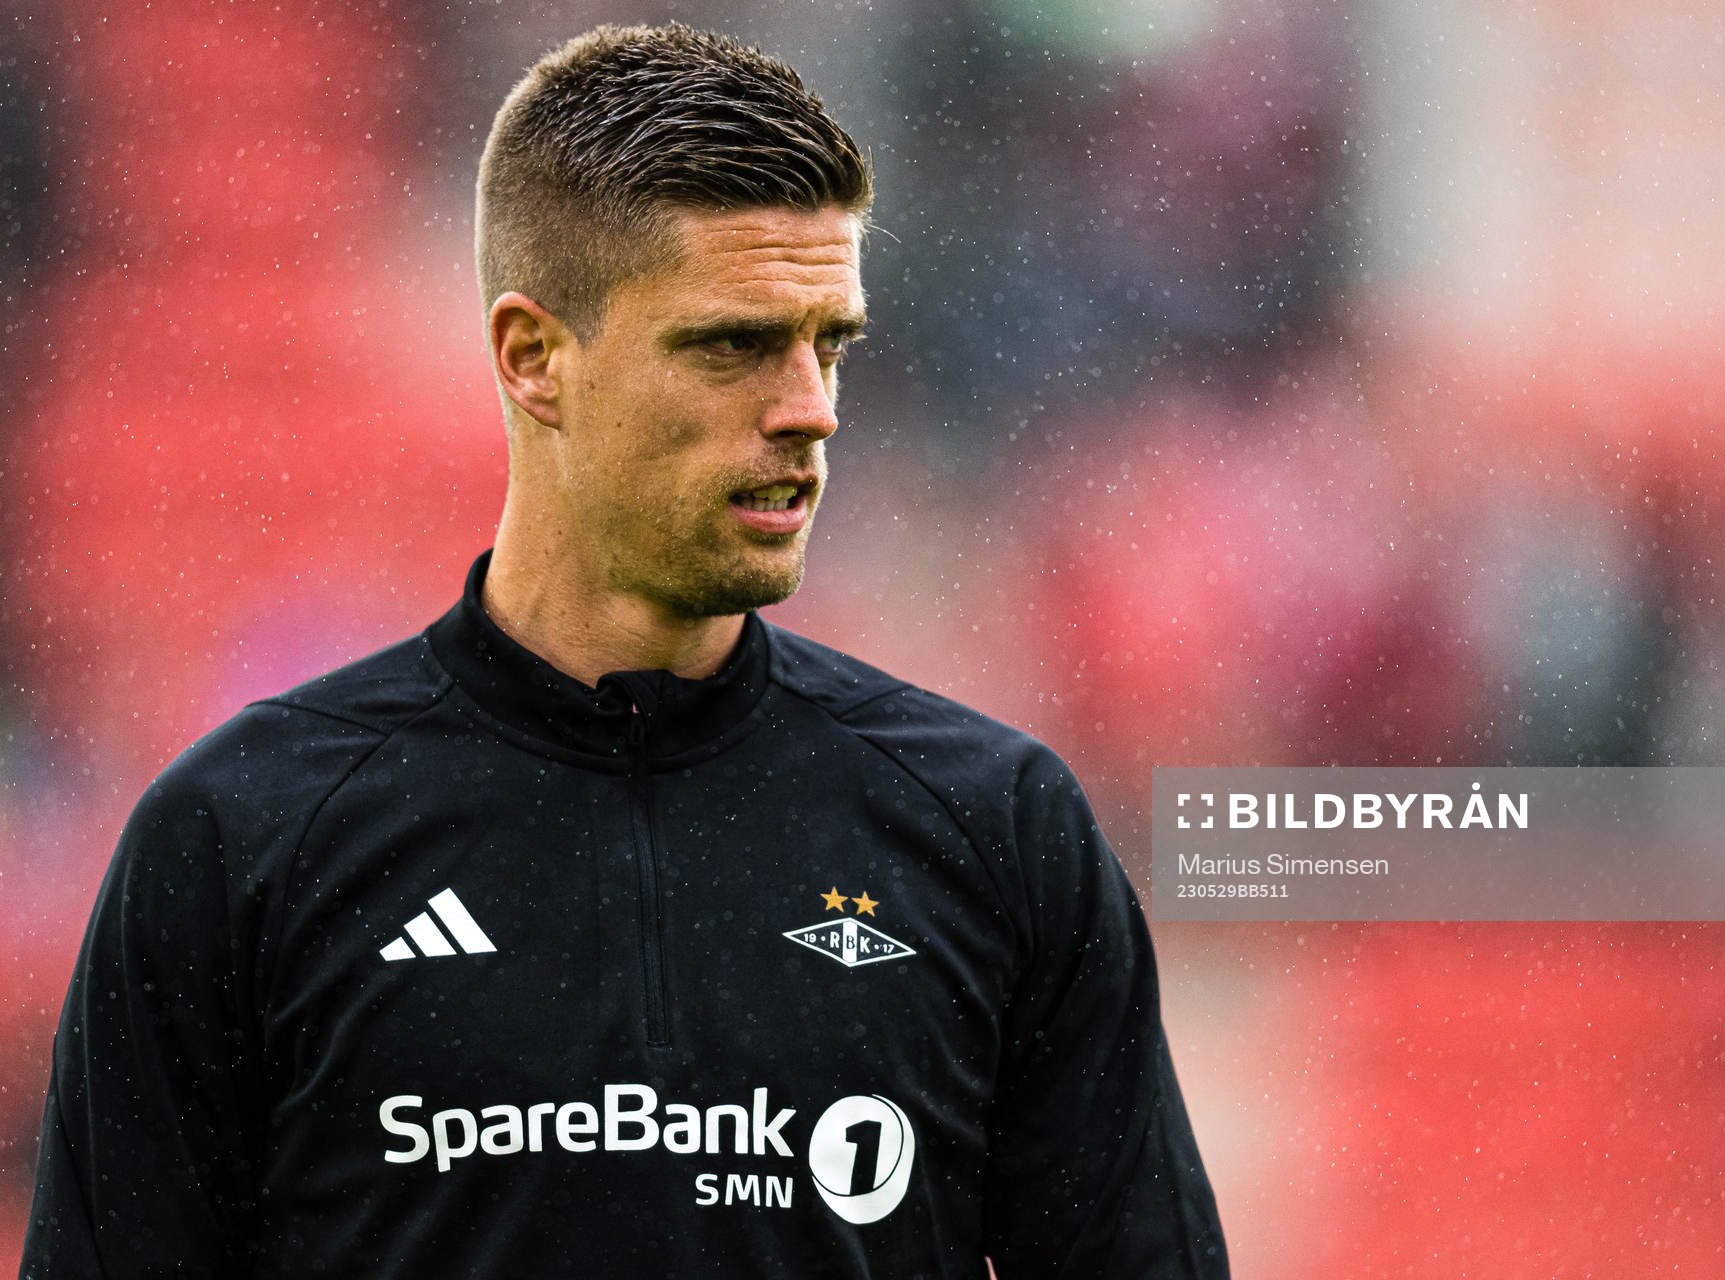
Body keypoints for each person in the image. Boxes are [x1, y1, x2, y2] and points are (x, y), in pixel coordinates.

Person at [21, 23, 1226, 1279]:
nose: (809, 405)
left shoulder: (994, 827)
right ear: (534, 359)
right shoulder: (244, 838)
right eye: (732, 344)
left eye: (831, 341)